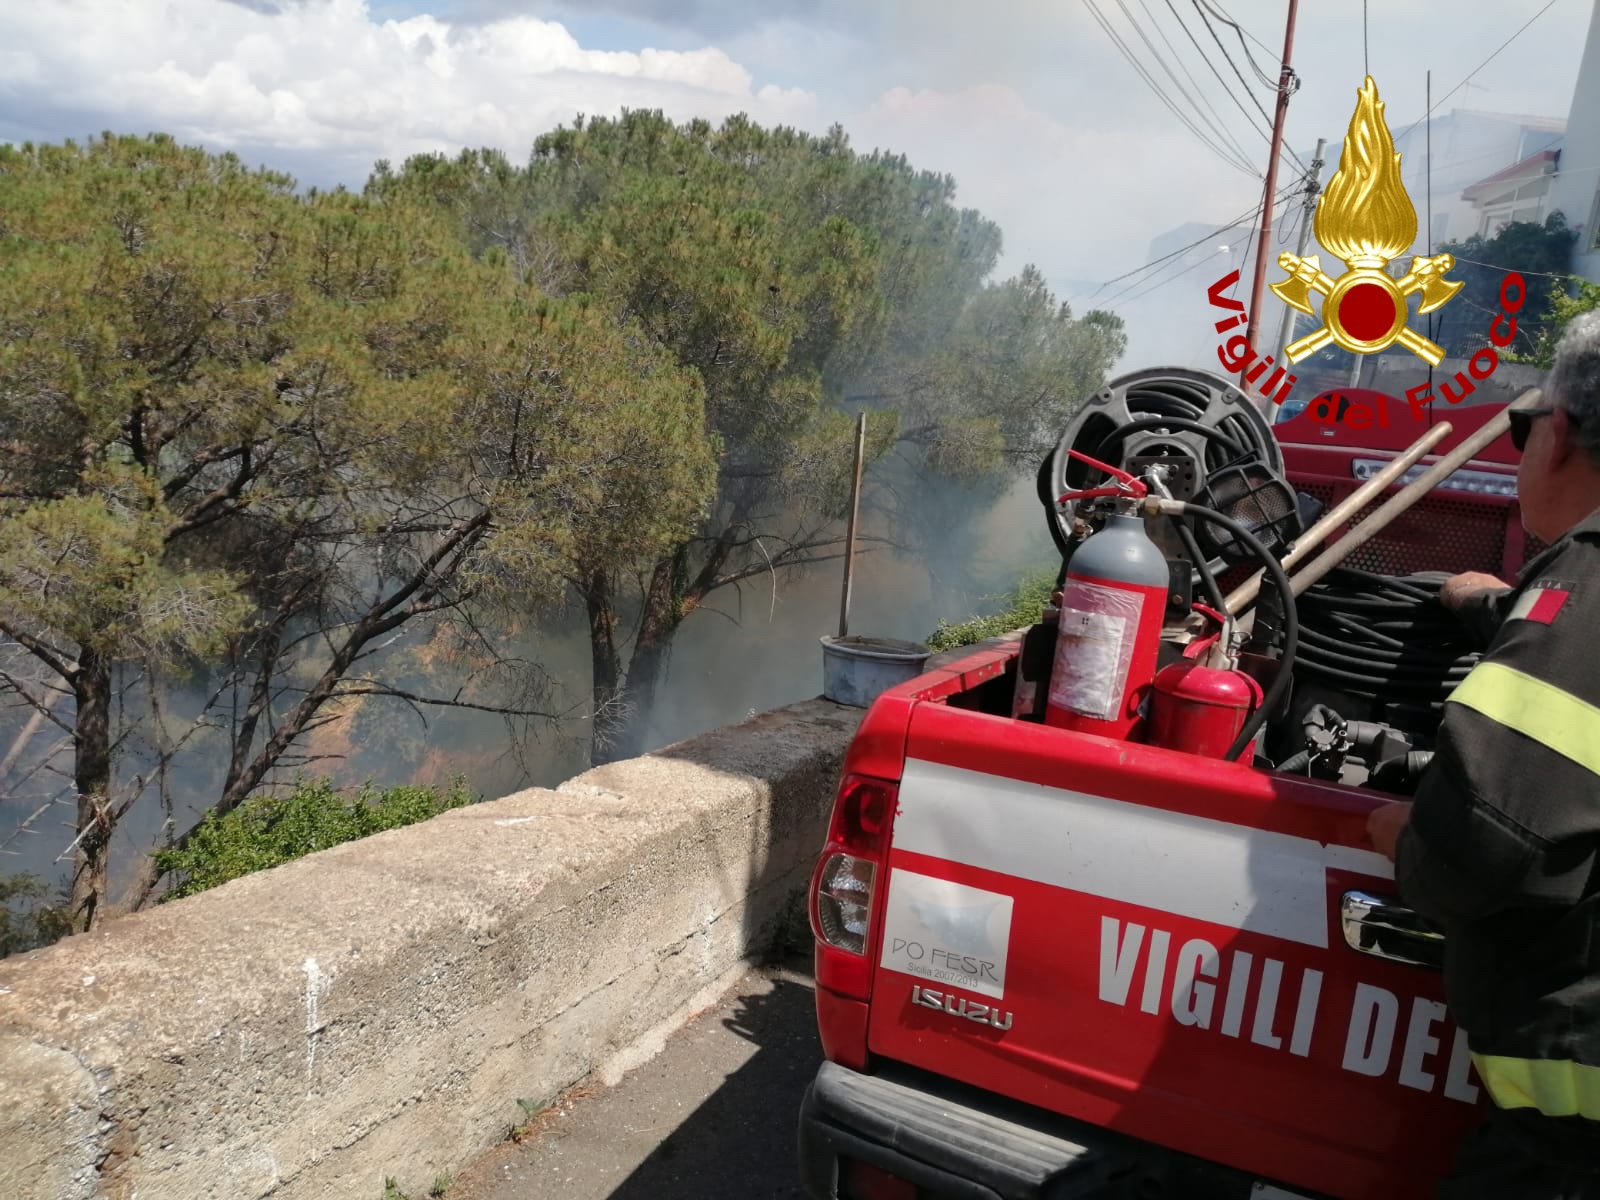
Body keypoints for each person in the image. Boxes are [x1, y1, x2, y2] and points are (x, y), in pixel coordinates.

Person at [1367, 310, 1600, 1198]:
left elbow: (1486, 842)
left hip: (1570, 1149)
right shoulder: (1574, 594)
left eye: (1520, 427)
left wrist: (1403, 838)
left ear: (1561, 434)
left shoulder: (1590, 576)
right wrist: (1502, 606)